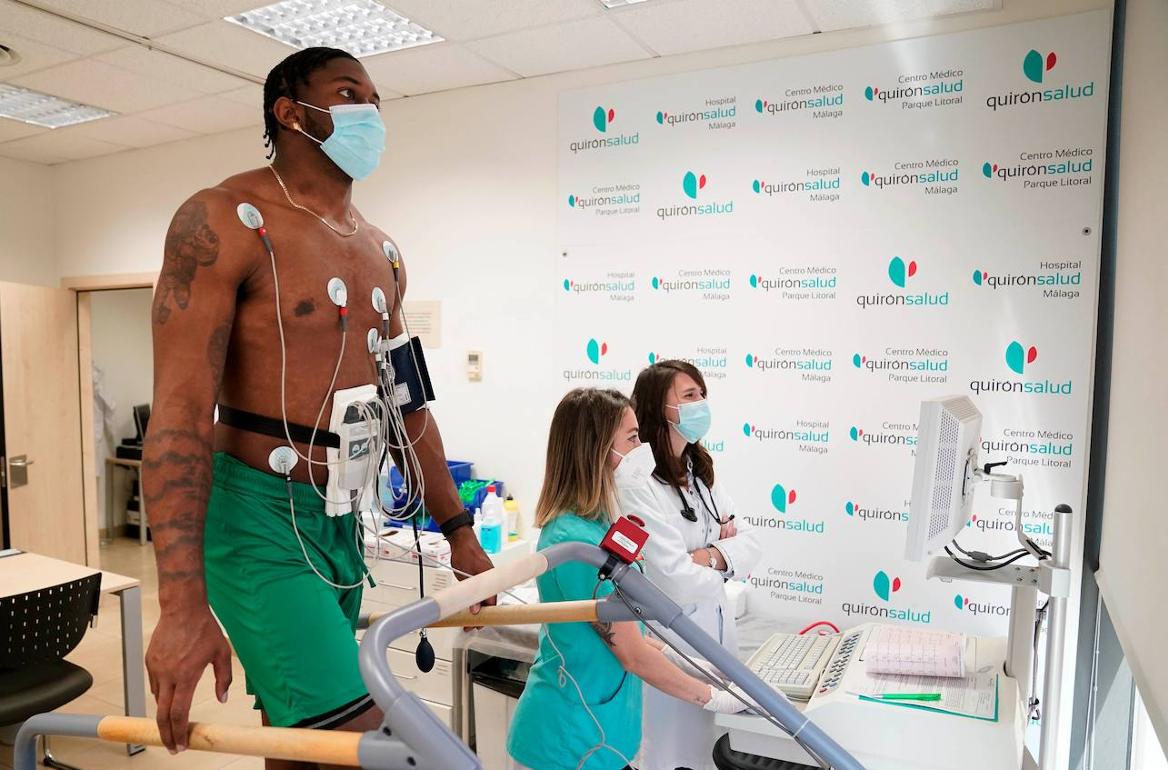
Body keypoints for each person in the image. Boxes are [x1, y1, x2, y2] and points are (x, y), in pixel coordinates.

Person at [142, 47, 495, 766]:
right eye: (347, 93)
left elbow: (411, 407)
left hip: (340, 523)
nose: (369, 111)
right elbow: (179, 416)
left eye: (374, 98)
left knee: (302, 744)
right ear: (290, 111)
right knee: (369, 742)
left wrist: (458, 530)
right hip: (256, 522)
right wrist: (181, 605)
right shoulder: (224, 222)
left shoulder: (383, 253)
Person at [506, 388, 750, 770]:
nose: (643, 447)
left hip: (603, 735)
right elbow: (631, 653)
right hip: (565, 742)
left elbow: (636, 634)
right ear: (599, 448)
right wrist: (712, 697)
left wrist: (701, 664)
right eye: (633, 438)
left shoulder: (601, 522)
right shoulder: (572, 540)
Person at [619, 360, 762, 770]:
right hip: (671, 644)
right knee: (665, 755)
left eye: (702, 395)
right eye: (688, 396)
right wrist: (721, 555)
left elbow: (752, 543)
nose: (700, 404)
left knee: (707, 752)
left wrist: (709, 557)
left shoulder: (698, 470)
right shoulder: (640, 483)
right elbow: (673, 582)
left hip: (714, 638)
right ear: (656, 408)